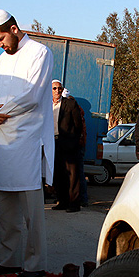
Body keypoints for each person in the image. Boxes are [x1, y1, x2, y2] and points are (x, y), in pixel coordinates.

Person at [0, 9, 54, 277]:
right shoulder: (0, 62)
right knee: (5, 209)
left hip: (28, 141)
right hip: (3, 140)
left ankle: (35, 263)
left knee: (32, 212)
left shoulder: (39, 53)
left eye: (0, 39)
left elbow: (31, 96)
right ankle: (8, 260)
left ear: (13, 29)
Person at [51, 79, 85, 213]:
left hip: (68, 144)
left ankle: (74, 204)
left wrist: (74, 141)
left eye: (59, 88)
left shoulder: (70, 104)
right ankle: (62, 201)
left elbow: (78, 125)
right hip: (53, 143)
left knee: (72, 175)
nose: (57, 91)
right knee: (58, 174)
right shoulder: (46, 105)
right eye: (54, 88)